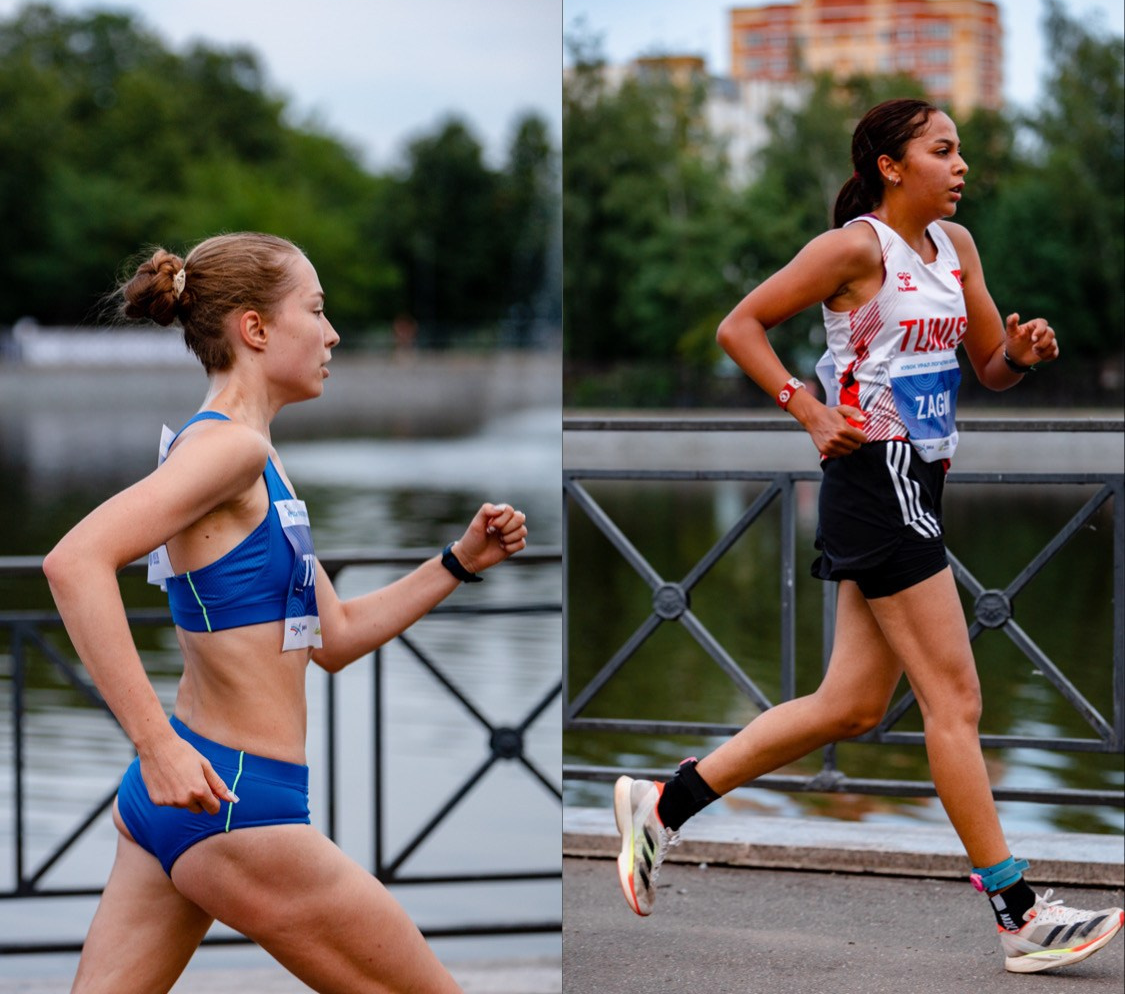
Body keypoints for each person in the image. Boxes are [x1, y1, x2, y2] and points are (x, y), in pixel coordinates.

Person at [613, 100, 1124, 976]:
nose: (960, 165)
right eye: (942, 150)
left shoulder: (955, 248)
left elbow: (988, 366)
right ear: (891, 166)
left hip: (918, 481)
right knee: (953, 702)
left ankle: (665, 802)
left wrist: (1022, 354)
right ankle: (1017, 914)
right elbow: (739, 326)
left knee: (849, 704)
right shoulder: (854, 249)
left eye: (960, 151)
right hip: (874, 478)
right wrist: (806, 409)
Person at [43, 231, 528, 994]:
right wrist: (155, 745)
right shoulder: (229, 452)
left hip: (186, 798)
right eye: (317, 309)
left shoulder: (253, 456)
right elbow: (74, 562)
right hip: (235, 802)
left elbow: (333, 639)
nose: (332, 334)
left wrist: (456, 562)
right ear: (255, 329)